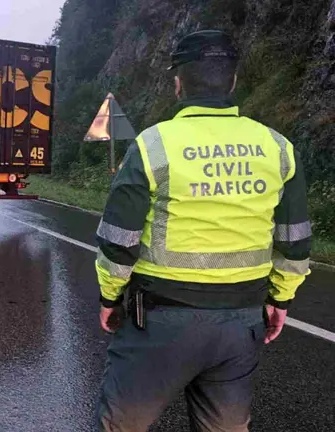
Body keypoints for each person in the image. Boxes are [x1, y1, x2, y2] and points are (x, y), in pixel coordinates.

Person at [93, 30, 312, 431]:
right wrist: (281, 300)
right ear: (232, 80)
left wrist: (109, 297)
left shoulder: (152, 145)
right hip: (241, 322)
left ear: (178, 83)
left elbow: (118, 240)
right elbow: (295, 240)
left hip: (158, 321)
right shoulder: (278, 148)